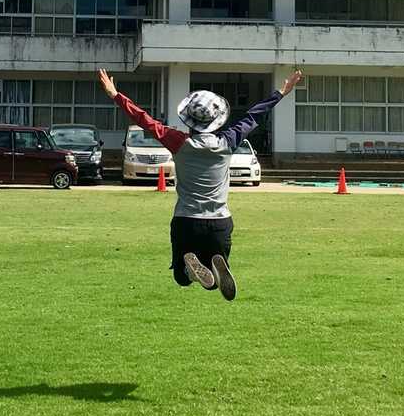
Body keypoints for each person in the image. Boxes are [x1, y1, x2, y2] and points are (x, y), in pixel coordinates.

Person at [98, 67, 302, 302]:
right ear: (217, 120)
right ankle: (216, 261)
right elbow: (254, 115)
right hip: (220, 222)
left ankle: (189, 271)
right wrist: (281, 92)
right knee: (213, 283)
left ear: (189, 120)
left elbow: (144, 120)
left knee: (181, 278)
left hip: (186, 221)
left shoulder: (179, 142)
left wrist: (116, 95)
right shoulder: (228, 141)